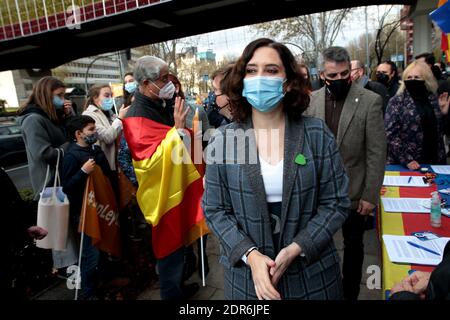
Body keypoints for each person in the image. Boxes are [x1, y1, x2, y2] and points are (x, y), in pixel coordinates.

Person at [202, 38, 351, 300]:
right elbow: (214, 209)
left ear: (288, 81)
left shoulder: (316, 134)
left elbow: (337, 202)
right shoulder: (223, 140)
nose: (260, 77)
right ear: (242, 79)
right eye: (251, 70)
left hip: (313, 278)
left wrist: (298, 247)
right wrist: (250, 255)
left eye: (271, 70)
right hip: (248, 283)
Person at [306, 46, 387, 300]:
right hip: (319, 194)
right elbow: (304, 149)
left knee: (353, 248)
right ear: (322, 75)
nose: (340, 80)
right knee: (317, 246)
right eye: (333, 77)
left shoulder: (369, 101)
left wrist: (370, 196)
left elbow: (376, 153)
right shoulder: (310, 102)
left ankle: (349, 293)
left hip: (354, 195)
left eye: (344, 75)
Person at [123, 56, 202, 300]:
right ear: (146, 83)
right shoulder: (136, 116)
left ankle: (179, 287)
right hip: (161, 197)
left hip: (174, 188)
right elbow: (149, 159)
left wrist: (181, 132)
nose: (170, 82)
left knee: (181, 246)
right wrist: (177, 130)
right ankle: (171, 293)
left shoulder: (159, 103)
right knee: (169, 250)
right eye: (164, 78)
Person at [62, 115, 115, 299]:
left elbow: (106, 174)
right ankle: (88, 293)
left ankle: (102, 283)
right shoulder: (71, 156)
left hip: (101, 207)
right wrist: (83, 172)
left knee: (101, 250)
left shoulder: (95, 149)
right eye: (91, 130)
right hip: (84, 213)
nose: (95, 133)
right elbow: (67, 187)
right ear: (78, 134)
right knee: (90, 256)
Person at [17, 76, 74, 200]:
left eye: (64, 95)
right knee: (59, 218)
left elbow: (73, 133)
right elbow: (44, 154)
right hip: (50, 185)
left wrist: (68, 115)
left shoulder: (53, 117)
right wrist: (70, 144)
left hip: (64, 178)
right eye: (59, 95)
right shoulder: (33, 120)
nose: (63, 100)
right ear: (46, 95)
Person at [385, 60, 450, 168]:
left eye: (417, 77)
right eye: (409, 78)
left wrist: (443, 113)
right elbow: (390, 135)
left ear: (426, 79)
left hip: (435, 161)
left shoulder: (433, 99)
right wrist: (407, 160)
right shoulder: (397, 101)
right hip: (407, 164)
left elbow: (441, 131)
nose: (413, 80)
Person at [82, 84, 129, 171]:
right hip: (104, 164)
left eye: (111, 95)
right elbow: (108, 137)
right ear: (95, 98)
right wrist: (119, 118)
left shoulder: (109, 113)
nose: (110, 98)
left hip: (117, 162)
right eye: (107, 95)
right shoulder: (89, 114)